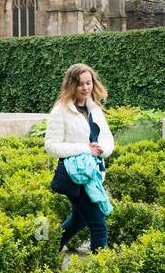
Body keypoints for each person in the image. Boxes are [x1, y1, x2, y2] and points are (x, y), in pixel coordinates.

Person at [44, 63, 115, 252]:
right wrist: (84, 148)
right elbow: (51, 146)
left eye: (88, 83)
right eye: (80, 84)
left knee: (79, 219)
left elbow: (107, 137)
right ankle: (102, 270)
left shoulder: (95, 108)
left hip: (93, 172)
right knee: (98, 224)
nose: (85, 88)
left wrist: (102, 149)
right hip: (75, 175)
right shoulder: (61, 111)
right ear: (71, 85)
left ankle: (47, 251)